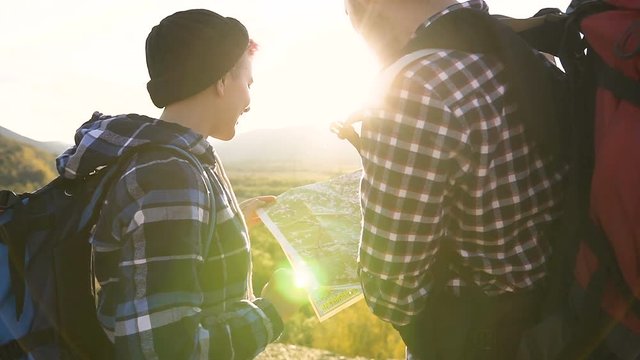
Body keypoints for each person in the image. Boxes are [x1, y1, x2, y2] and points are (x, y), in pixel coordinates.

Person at [55, 9, 305, 359]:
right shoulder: (169, 175)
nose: (249, 100)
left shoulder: (166, 159)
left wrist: (223, 225)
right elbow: (167, 350)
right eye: (248, 82)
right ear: (220, 79)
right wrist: (273, 311)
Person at [340, 0, 566, 359]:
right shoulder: (517, 44)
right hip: (561, 317)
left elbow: (392, 290)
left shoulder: (412, 88)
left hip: (480, 337)